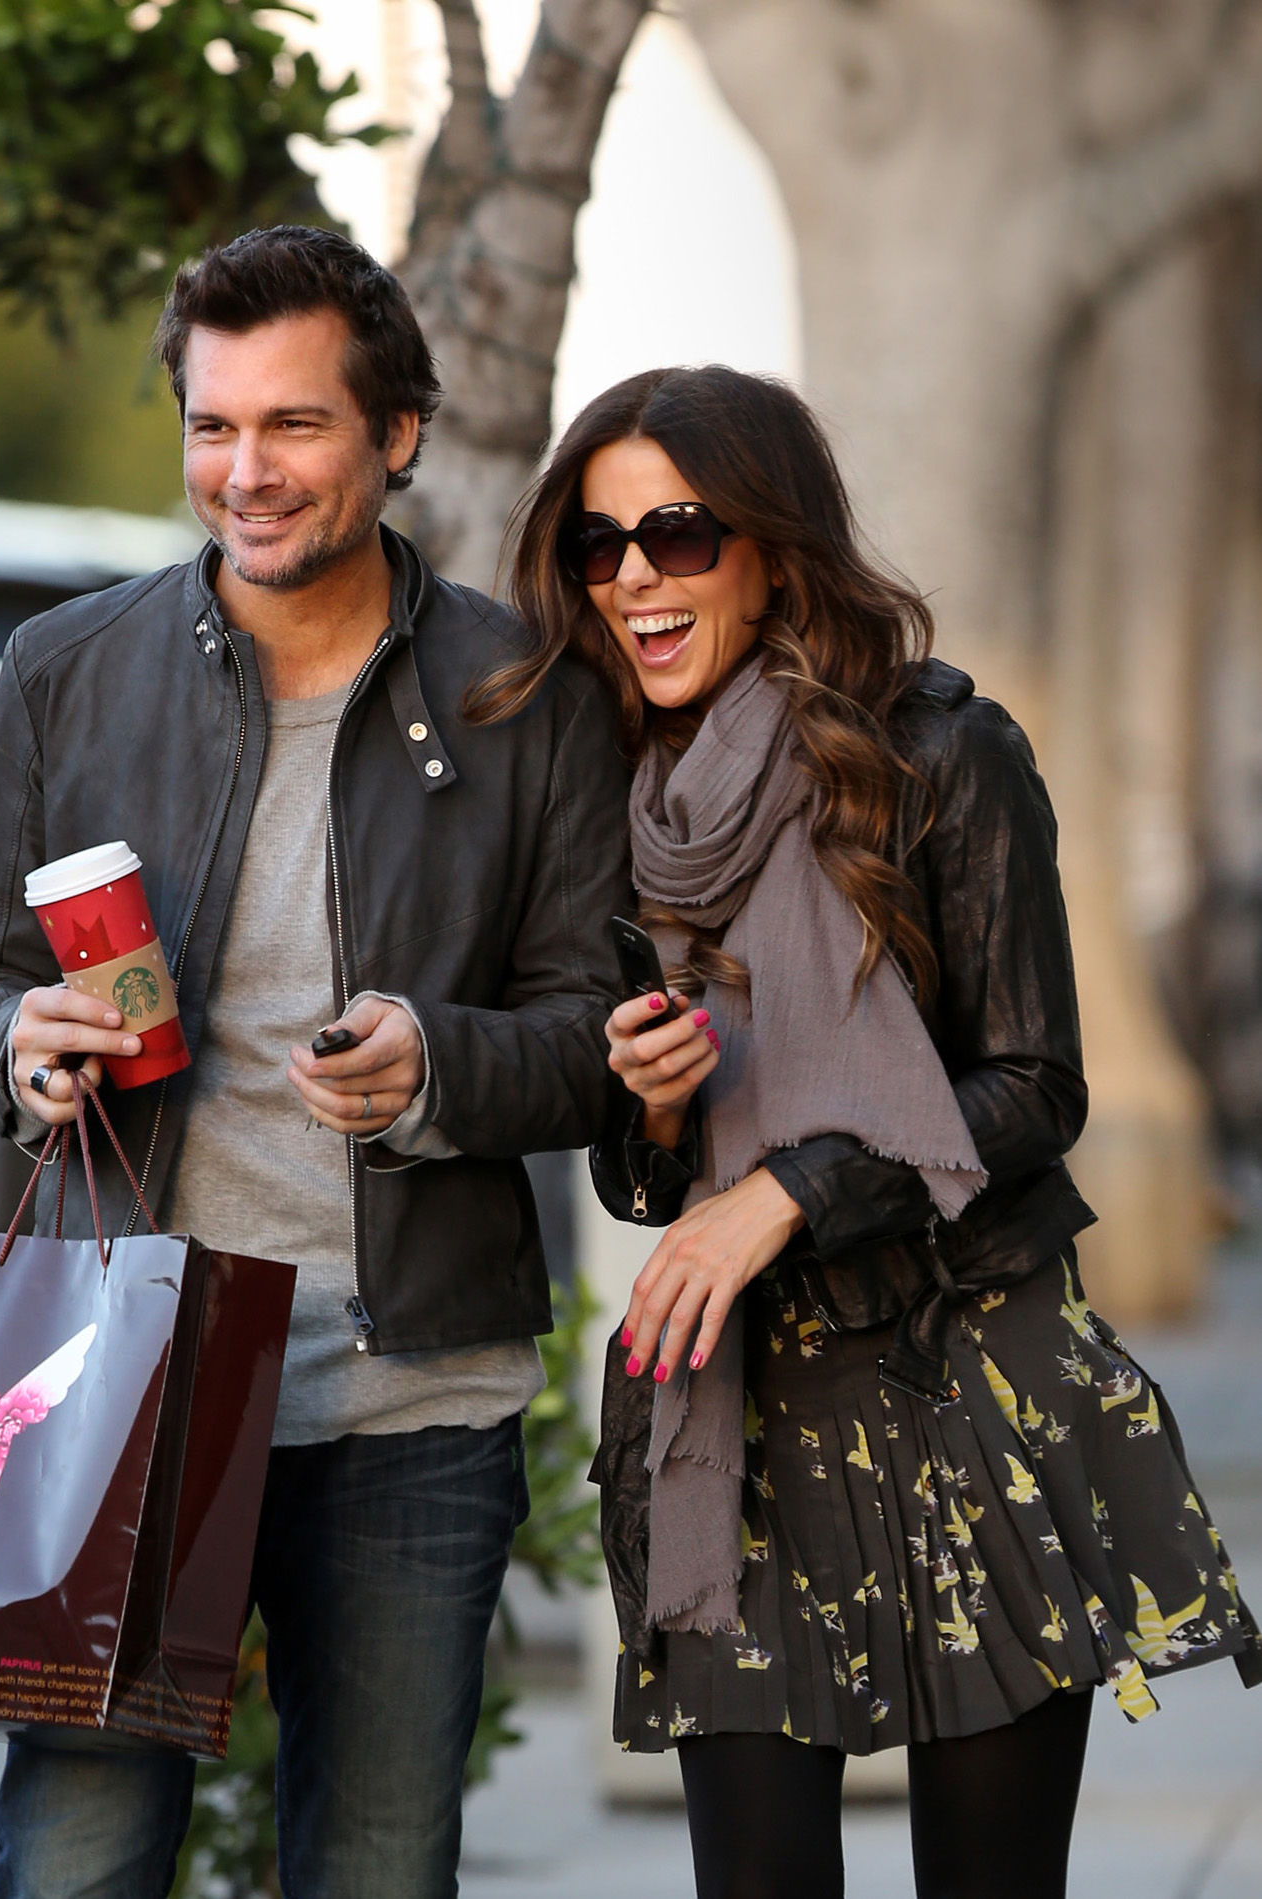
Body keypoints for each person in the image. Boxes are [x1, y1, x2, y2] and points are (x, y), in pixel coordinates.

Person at [480, 364, 1262, 1899]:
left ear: (775, 548)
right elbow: (650, 1185)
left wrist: (786, 1189)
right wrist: (647, 1109)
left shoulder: (941, 757)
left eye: (680, 534)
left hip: (963, 1381)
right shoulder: (613, 799)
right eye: (599, 544)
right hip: (741, 1425)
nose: (633, 574)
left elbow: (1036, 1090)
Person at [0, 225, 631, 1899]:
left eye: (295, 425)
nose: (245, 472)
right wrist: (19, 1047)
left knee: (379, 1871)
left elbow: (598, 1037)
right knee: (76, 1864)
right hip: (127, 1381)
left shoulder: (527, 692)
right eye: (212, 425)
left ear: (398, 436)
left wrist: (437, 1068)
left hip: (410, 1393)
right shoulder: (66, 672)